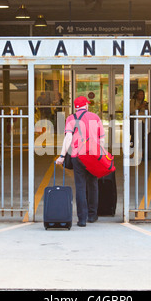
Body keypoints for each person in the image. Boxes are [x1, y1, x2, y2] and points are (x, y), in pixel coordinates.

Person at [56, 96, 105, 227]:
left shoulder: (71, 118)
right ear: (86, 106)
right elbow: (102, 140)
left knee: (80, 187)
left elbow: (68, 137)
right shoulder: (95, 117)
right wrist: (102, 155)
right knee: (93, 184)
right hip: (93, 155)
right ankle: (92, 215)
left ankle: (82, 219)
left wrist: (62, 155)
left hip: (77, 155)